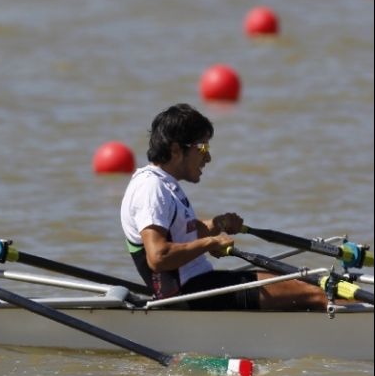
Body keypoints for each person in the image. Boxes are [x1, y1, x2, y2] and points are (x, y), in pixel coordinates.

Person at [120, 103, 329, 311]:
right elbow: (158, 257)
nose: (208, 157)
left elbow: (184, 234)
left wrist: (218, 224)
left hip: (201, 285)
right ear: (176, 150)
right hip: (191, 294)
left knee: (309, 284)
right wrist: (211, 243)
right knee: (317, 291)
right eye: (203, 148)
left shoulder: (165, 185)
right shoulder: (151, 188)